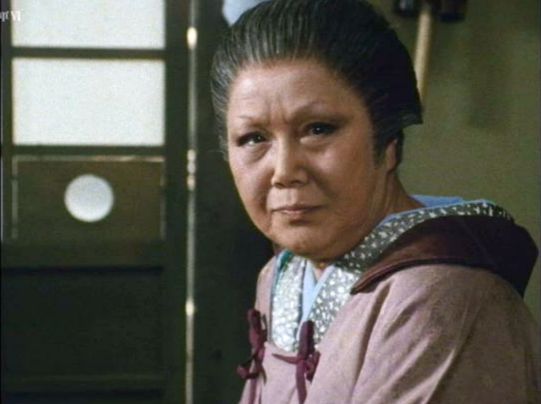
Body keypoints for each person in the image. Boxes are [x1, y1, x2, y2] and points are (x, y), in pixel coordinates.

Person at [210, 0, 539, 402]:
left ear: (388, 143)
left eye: (318, 129)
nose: (284, 171)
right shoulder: (282, 274)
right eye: (253, 138)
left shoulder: (442, 293)